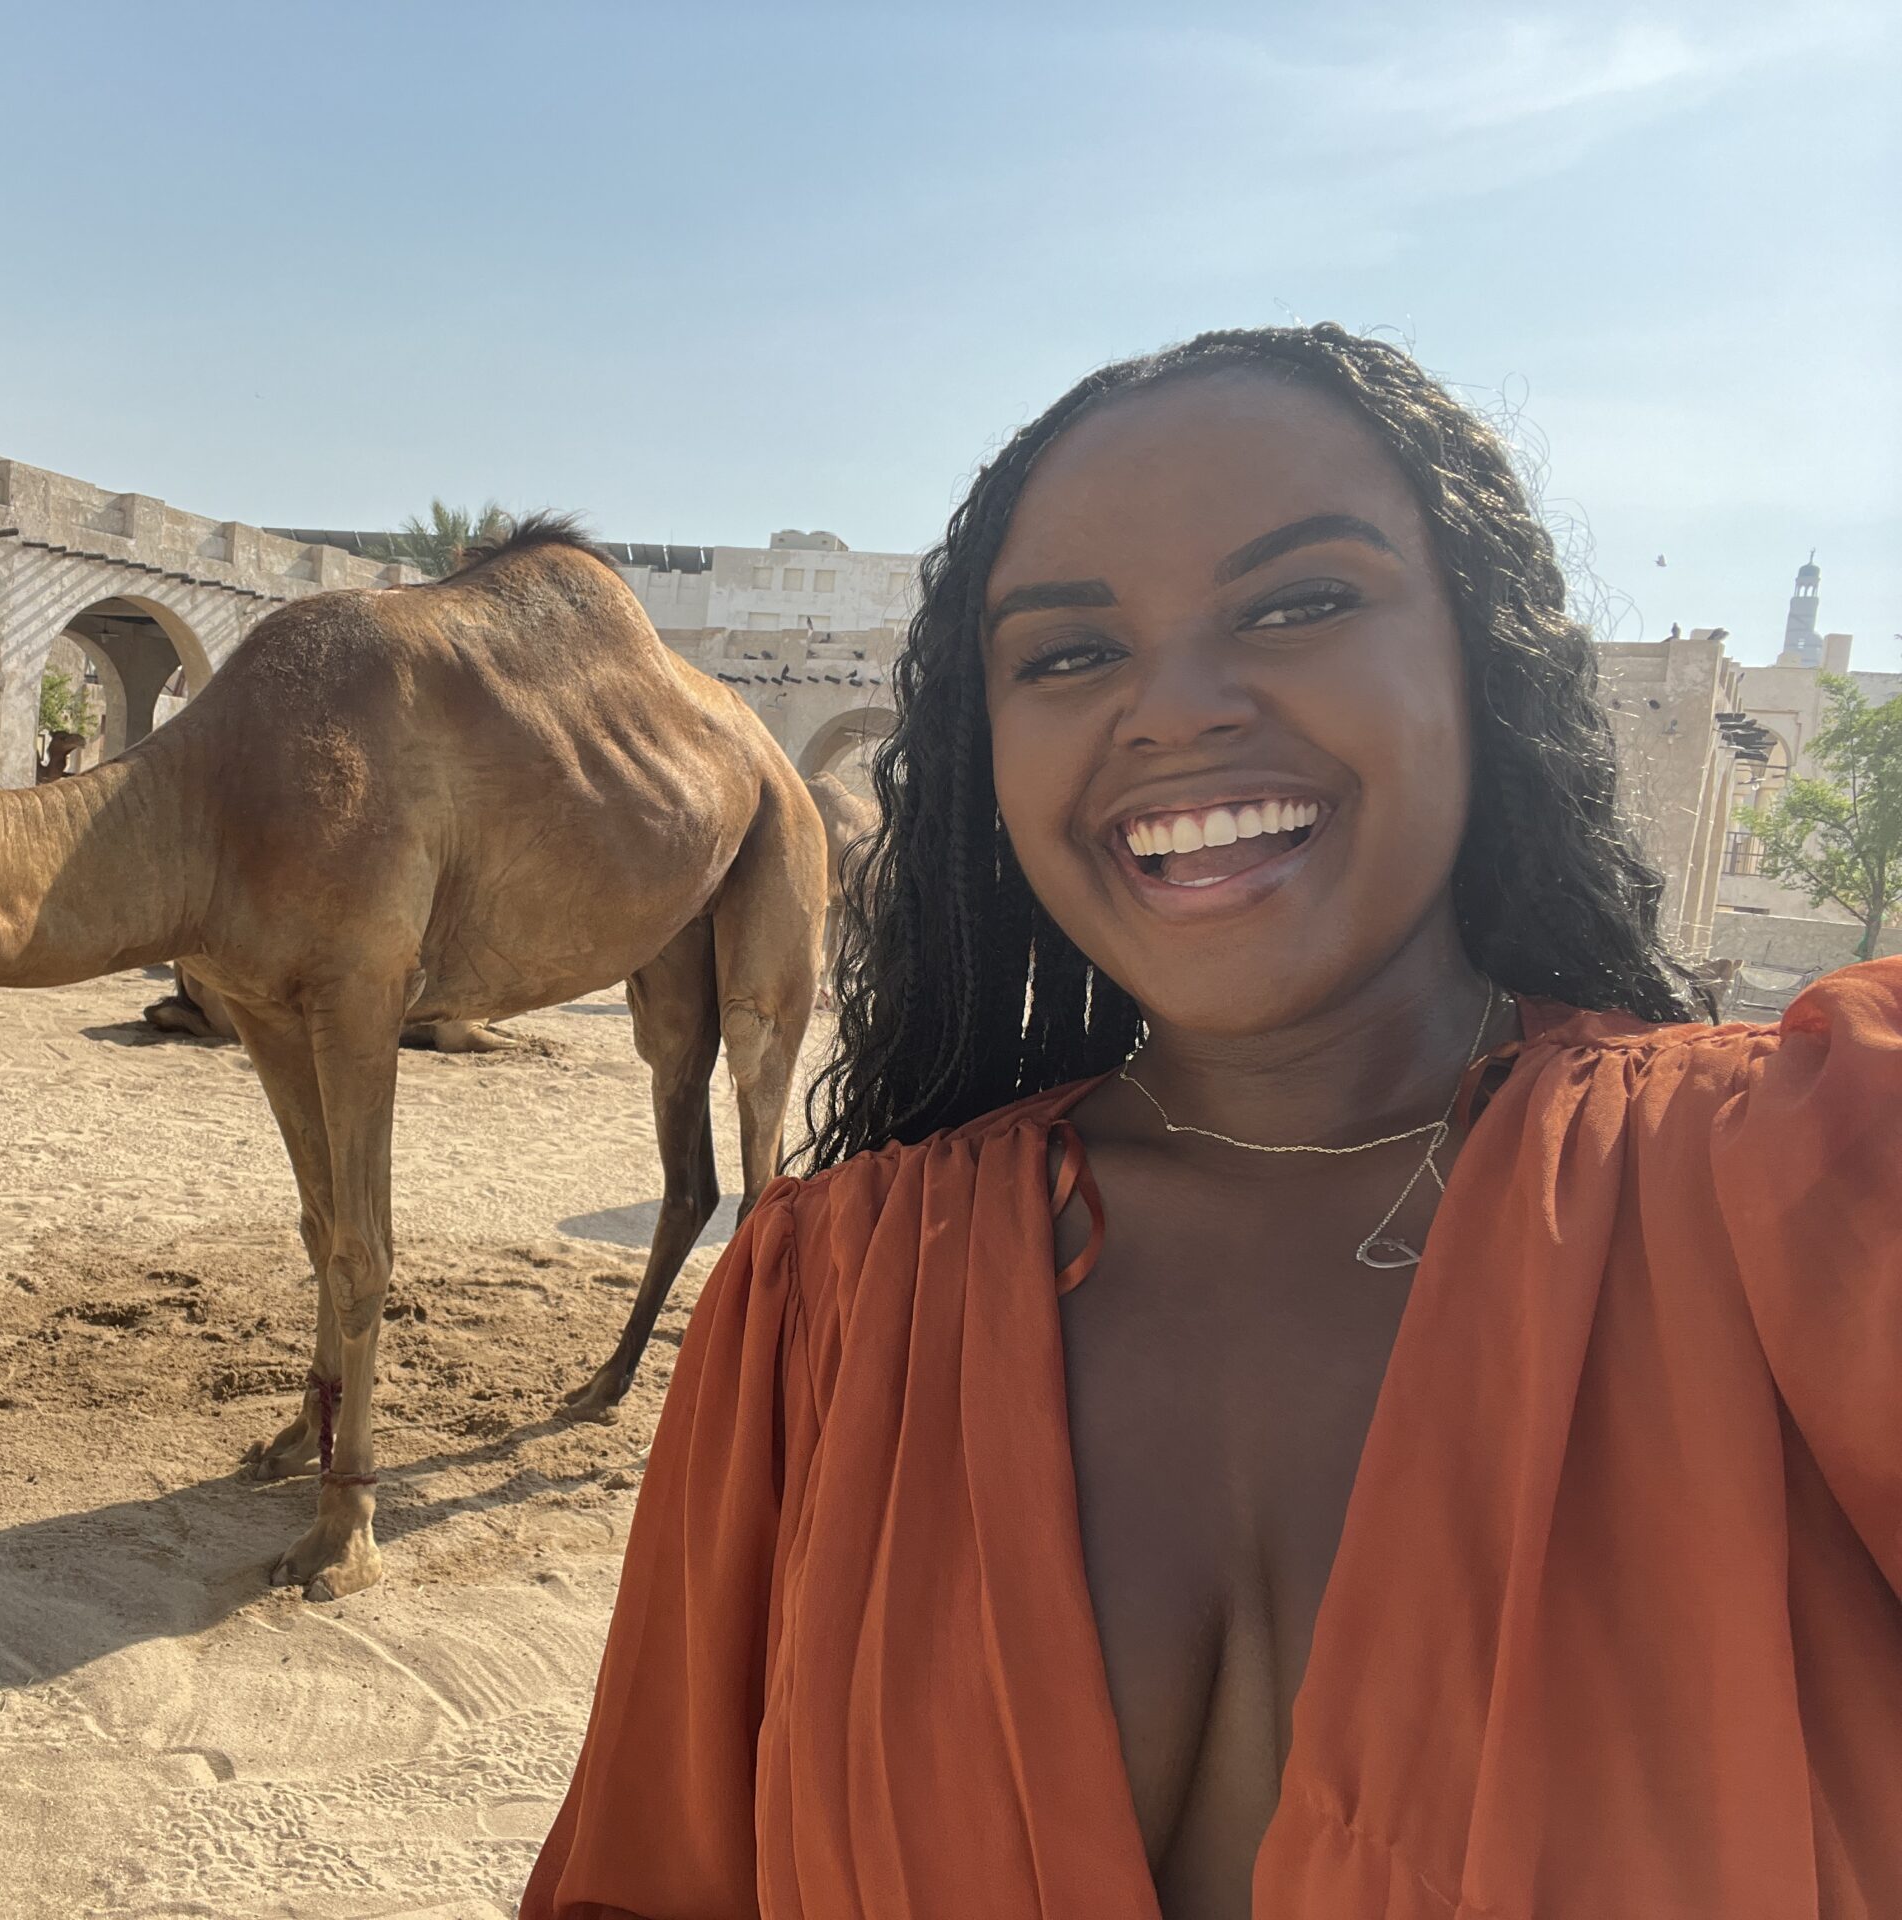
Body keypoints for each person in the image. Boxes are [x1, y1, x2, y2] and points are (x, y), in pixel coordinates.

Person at [523, 324, 1899, 1919]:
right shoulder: (826, 1302)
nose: (1172, 710)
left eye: (1300, 603)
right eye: (1066, 653)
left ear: (1485, 663)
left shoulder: (1804, 1188)